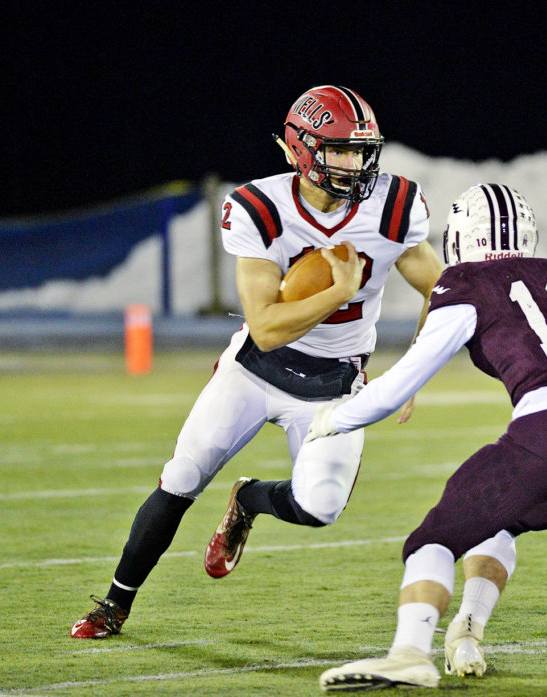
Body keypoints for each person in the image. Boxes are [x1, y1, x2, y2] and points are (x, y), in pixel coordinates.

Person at [70, 85, 444, 639]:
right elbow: (266, 327)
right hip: (255, 370)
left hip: (335, 382)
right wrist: (339, 293)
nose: (353, 164)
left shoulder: (393, 206)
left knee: (321, 507)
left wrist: (416, 368)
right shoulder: (260, 208)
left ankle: (249, 499)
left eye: (360, 151)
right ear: (299, 150)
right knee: (182, 476)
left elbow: (441, 289)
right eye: (338, 150)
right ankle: (114, 605)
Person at [311, 183, 547, 690]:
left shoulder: (468, 282)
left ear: (460, 236)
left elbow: (405, 379)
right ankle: (467, 634)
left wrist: (335, 419)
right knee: (497, 521)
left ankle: (409, 653)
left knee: (432, 540)